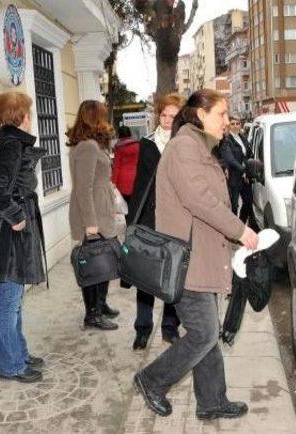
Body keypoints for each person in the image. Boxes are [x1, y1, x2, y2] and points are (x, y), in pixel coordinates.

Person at [133, 90, 259, 420]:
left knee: (207, 334)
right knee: (204, 333)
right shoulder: (184, 148)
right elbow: (200, 199)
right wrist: (240, 231)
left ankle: (212, 400)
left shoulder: (199, 147)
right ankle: (151, 380)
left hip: (202, 257)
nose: (227, 121)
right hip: (188, 263)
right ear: (201, 115)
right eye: (221, 114)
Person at [0, 92, 46, 383]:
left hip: (15, 238)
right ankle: (11, 366)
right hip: (9, 240)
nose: (30, 118)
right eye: (29, 113)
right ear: (22, 116)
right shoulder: (11, 145)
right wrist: (17, 216)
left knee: (16, 301)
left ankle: (18, 354)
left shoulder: (11, 143)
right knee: (9, 303)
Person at [127, 93, 185, 350]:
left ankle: (169, 327)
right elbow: (139, 185)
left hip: (176, 221)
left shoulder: (184, 144)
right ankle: (142, 328)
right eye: (163, 115)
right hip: (150, 219)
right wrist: (133, 221)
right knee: (146, 274)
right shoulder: (147, 144)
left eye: (173, 116)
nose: (167, 120)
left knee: (173, 274)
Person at [68, 100, 119, 331]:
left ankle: (101, 303)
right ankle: (92, 315)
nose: (106, 120)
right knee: (93, 263)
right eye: (102, 115)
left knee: (103, 260)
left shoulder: (92, 145)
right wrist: (90, 223)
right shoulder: (87, 147)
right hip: (93, 214)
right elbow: (83, 187)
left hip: (101, 211)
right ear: (94, 118)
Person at [219, 116, 256, 227]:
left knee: (248, 202)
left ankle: (240, 225)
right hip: (234, 178)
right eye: (233, 123)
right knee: (234, 206)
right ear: (229, 126)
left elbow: (248, 154)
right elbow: (230, 160)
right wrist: (243, 169)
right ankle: (234, 231)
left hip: (245, 177)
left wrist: (247, 166)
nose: (235, 125)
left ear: (240, 125)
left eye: (237, 123)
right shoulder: (226, 140)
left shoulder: (243, 137)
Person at [111, 125, 140, 205]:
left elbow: (117, 167)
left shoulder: (119, 148)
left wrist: (113, 182)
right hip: (137, 178)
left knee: (125, 205)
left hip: (122, 180)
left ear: (119, 134)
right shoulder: (138, 145)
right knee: (135, 204)